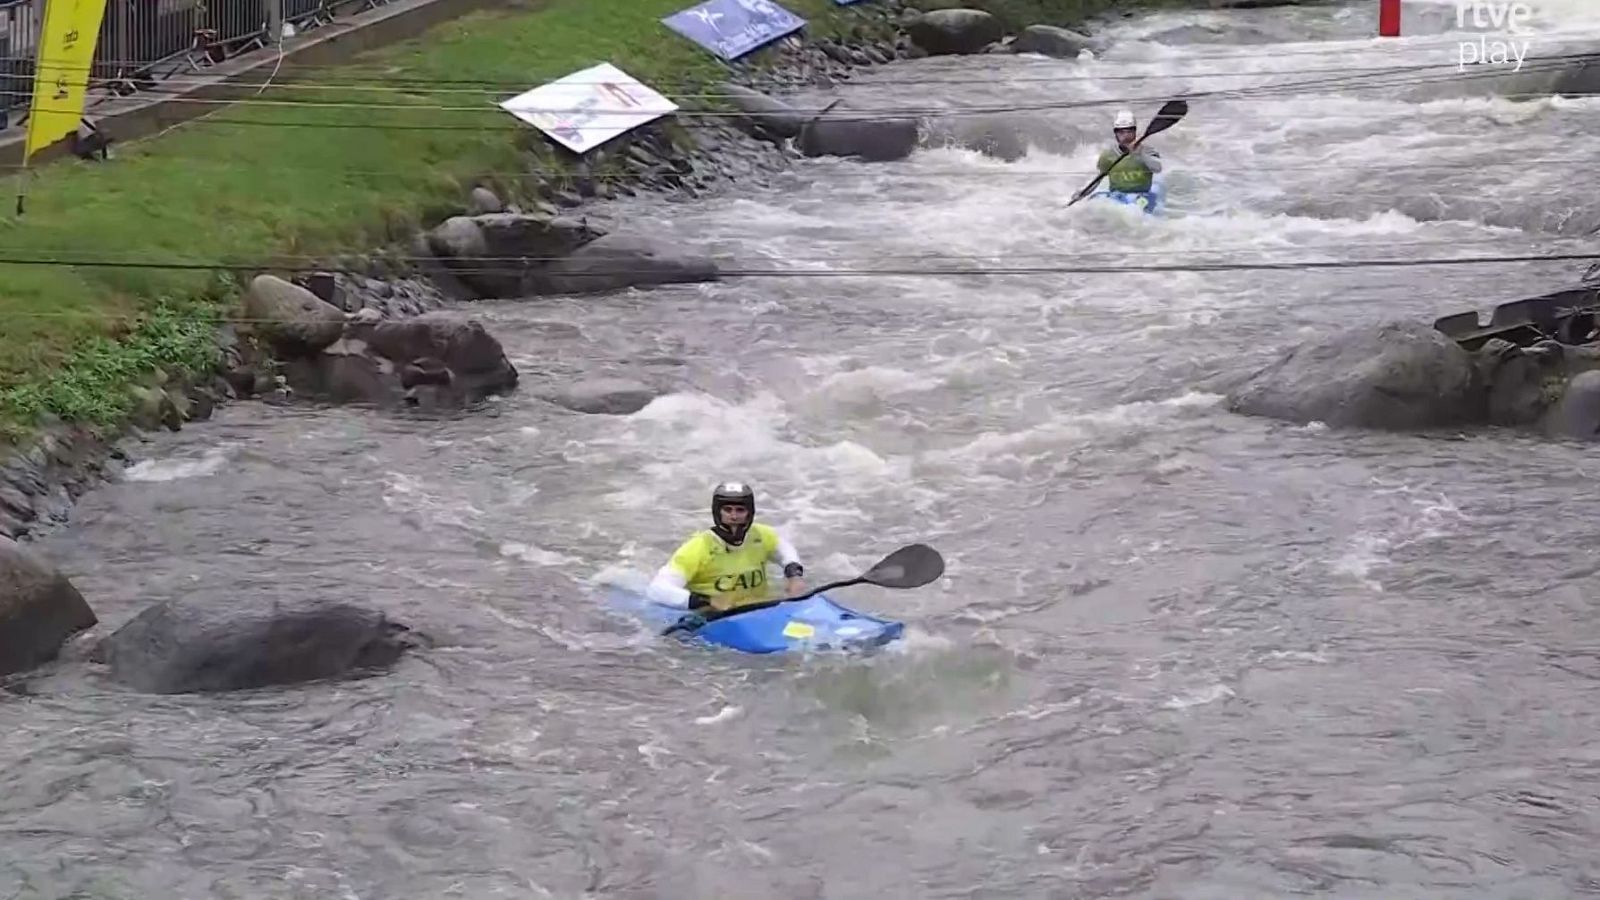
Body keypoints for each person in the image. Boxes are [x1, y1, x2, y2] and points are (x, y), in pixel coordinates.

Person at [645, 482, 807, 615]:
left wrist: (794, 576)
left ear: (749, 513)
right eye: (727, 510)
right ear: (718, 512)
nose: (734, 516)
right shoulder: (697, 548)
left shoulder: (761, 535)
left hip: (759, 612)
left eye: (740, 510)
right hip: (714, 617)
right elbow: (657, 590)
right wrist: (707, 601)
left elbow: (785, 550)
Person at [1096, 108, 1163, 194]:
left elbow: (1158, 168)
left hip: (1142, 196)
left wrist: (1140, 153)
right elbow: (1097, 178)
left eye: (1129, 132)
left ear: (1135, 132)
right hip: (1117, 196)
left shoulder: (1148, 151)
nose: (1126, 136)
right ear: (1116, 134)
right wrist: (1081, 192)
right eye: (1121, 132)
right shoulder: (1108, 155)